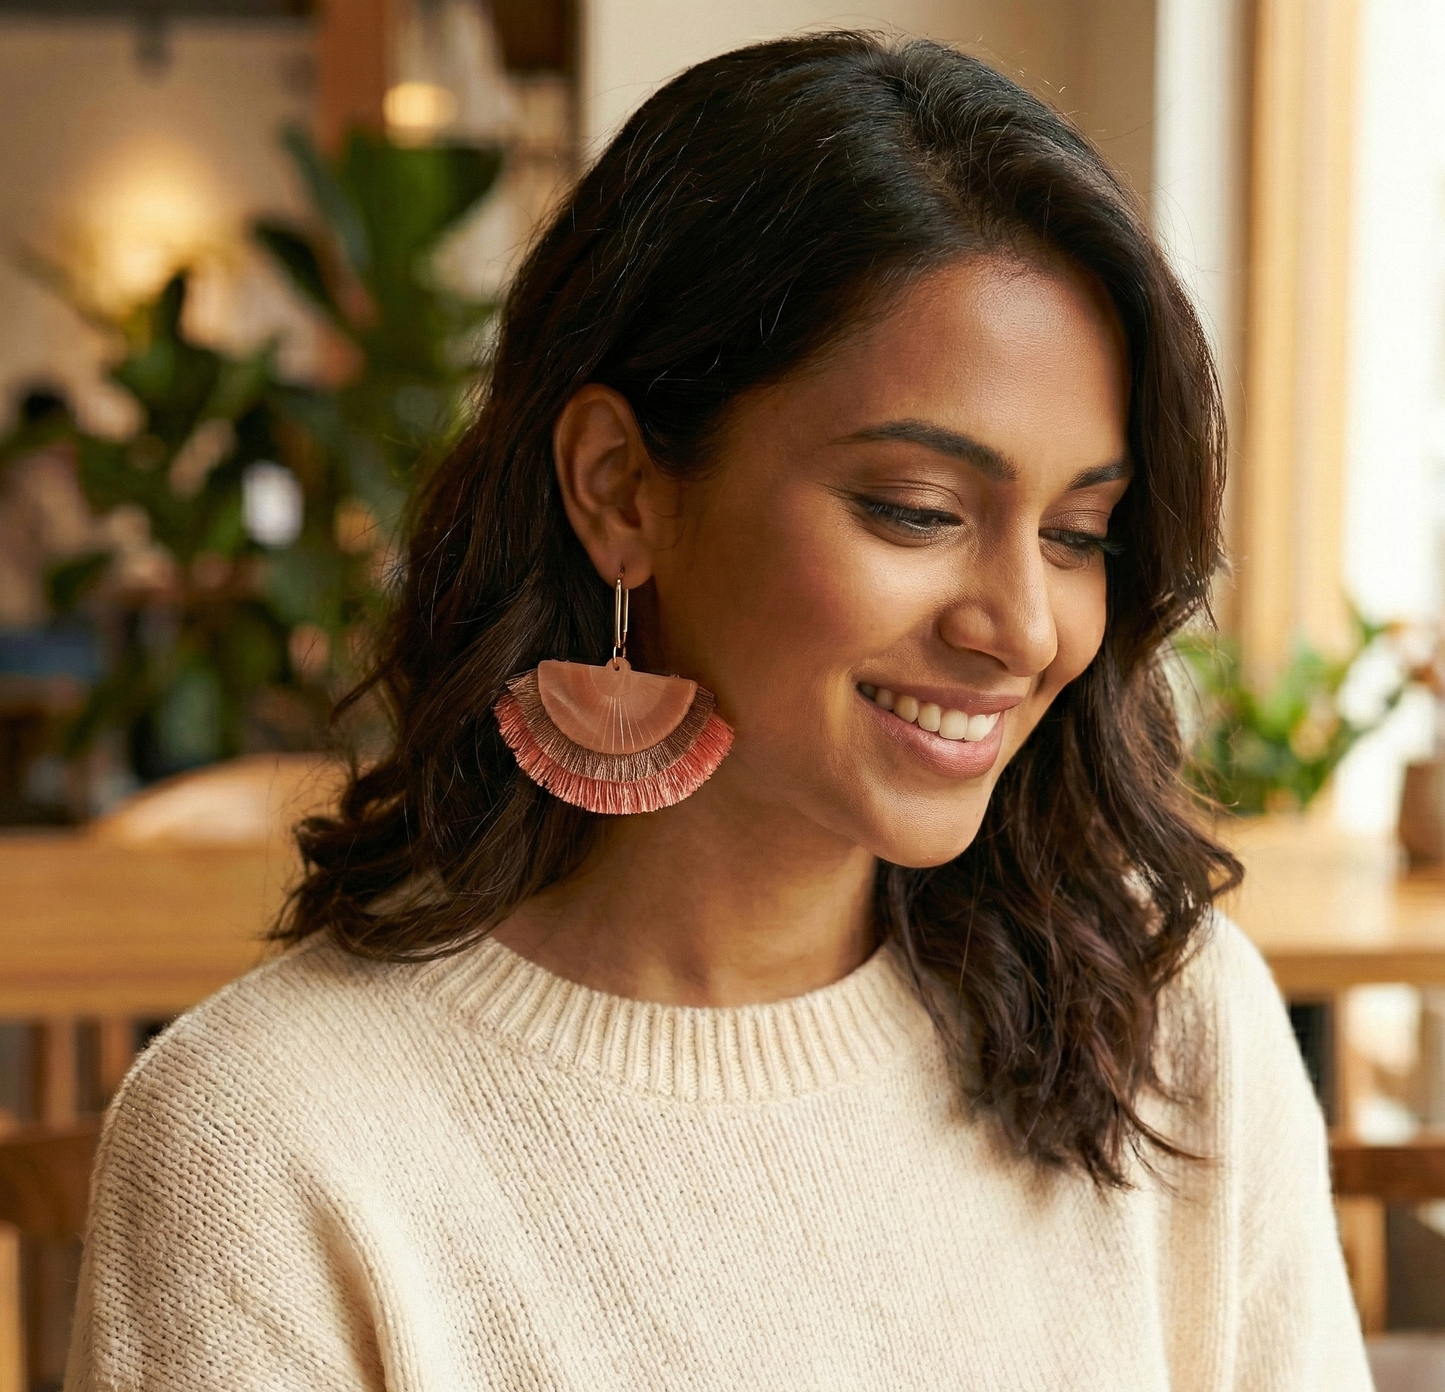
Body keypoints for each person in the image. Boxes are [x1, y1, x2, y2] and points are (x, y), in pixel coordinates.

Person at [68, 33, 1371, 1391]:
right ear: (622, 489)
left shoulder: (1169, 1027)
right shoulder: (272, 1145)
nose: (1025, 628)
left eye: (1080, 532)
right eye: (918, 513)